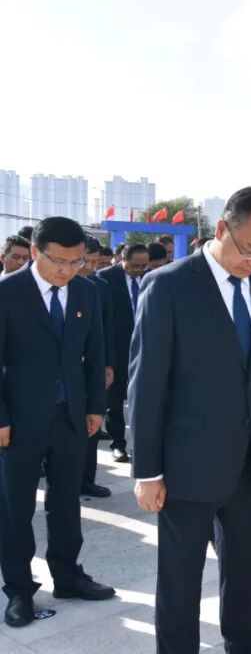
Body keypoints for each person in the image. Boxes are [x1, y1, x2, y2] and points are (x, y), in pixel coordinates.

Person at [129, 187, 251, 653]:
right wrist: (147, 470)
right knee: (180, 580)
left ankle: (244, 643)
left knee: (243, 571)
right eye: (248, 249)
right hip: (186, 465)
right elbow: (147, 384)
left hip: (249, 465)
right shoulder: (170, 286)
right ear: (221, 229)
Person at [0, 217, 114, 628]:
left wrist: (96, 406)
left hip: (70, 417)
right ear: (35, 251)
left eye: (76, 261)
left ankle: (68, 576)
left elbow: (96, 351)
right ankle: (18, 589)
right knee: (15, 508)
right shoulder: (8, 292)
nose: (67, 270)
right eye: (58, 261)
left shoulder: (86, 290)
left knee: (66, 502)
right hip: (19, 420)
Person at [96, 242, 150, 463]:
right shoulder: (105, 278)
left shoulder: (151, 277)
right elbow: (102, 319)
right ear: (123, 259)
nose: (140, 270)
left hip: (145, 349)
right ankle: (118, 444)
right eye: (136, 265)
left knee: (144, 400)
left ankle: (141, 446)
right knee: (115, 400)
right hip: (117, 349)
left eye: (143, 265)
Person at [79, 236, 116, 498]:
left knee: (91, 423)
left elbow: (107, 327)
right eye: (85, 261)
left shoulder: (99, 286)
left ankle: (86, 479)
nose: (90, 267)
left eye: (94, 262)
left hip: (93, 367)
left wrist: (108, 363)